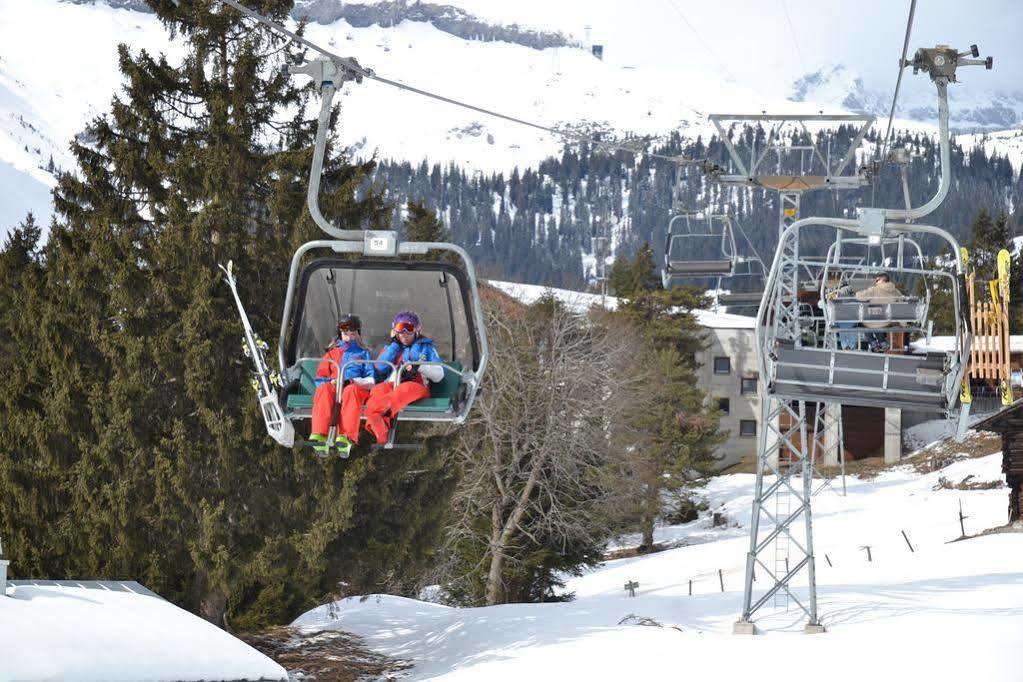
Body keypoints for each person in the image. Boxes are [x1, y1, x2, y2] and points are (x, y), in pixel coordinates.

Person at [363, 310, 445, 445]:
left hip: (417, 385)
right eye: (401, 329)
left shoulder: (426, 348)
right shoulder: (392, 347)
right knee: (378, 390)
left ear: (417, 330)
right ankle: (380, 430)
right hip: (394, 384)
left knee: (404, 390)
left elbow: (439, 375)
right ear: (395, 330)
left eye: (409, 329)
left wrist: (419, 367)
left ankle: (374, 416)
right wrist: (393, 346)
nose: (405, 334)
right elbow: (380, 368)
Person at [309, 313, 375, 456]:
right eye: (345, 332)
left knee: (350, 391)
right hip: (334, 387)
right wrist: (330, 382)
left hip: (355, 387)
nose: (349, 335)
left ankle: (346, 437)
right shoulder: (332, 353)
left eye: (352, 332)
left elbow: (371, 380)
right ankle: (320, 434)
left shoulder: (363, 353)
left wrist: (353, 381)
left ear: (357, 333)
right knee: (324, 389)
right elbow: (321, 376)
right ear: (340, 332)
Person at [854, 273, 904, 352]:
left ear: (882, 280)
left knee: (864, 323)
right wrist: (903, 324)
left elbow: (859, 296)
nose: (876, 282)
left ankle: (873, 343)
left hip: (875, 320)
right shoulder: (896, 291)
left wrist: (856, 292)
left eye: (877, 280)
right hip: (887, 322)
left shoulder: (874, 290)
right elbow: (902, 303)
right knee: (877, 322)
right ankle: (882, 343)